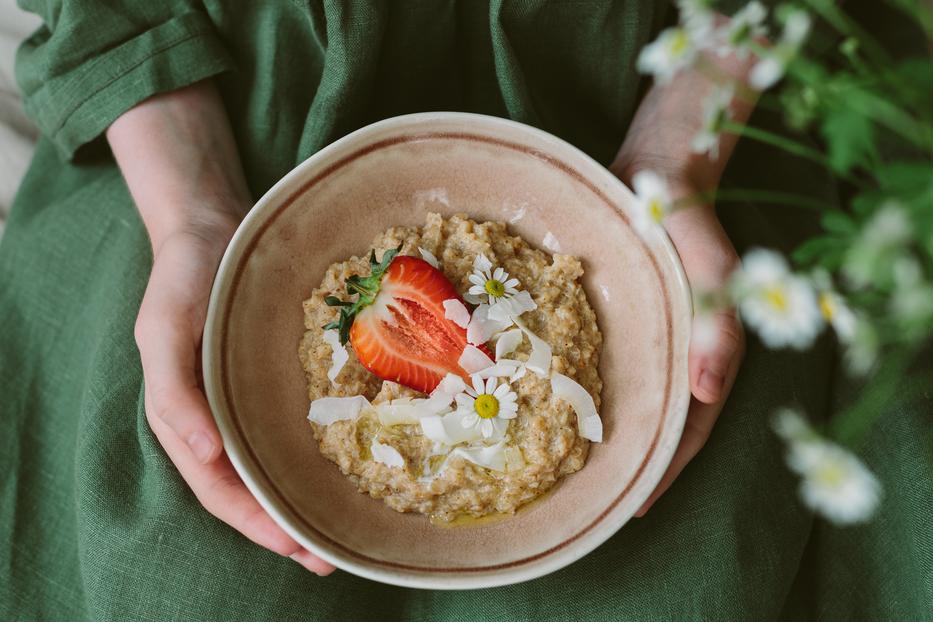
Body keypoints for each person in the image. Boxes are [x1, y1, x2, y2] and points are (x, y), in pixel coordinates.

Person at [1, 2, 929, 620]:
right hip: (226, 117)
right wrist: (195, 218)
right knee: (173, 568)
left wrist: (678, 159)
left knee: (693, 567)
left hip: (665, 95)